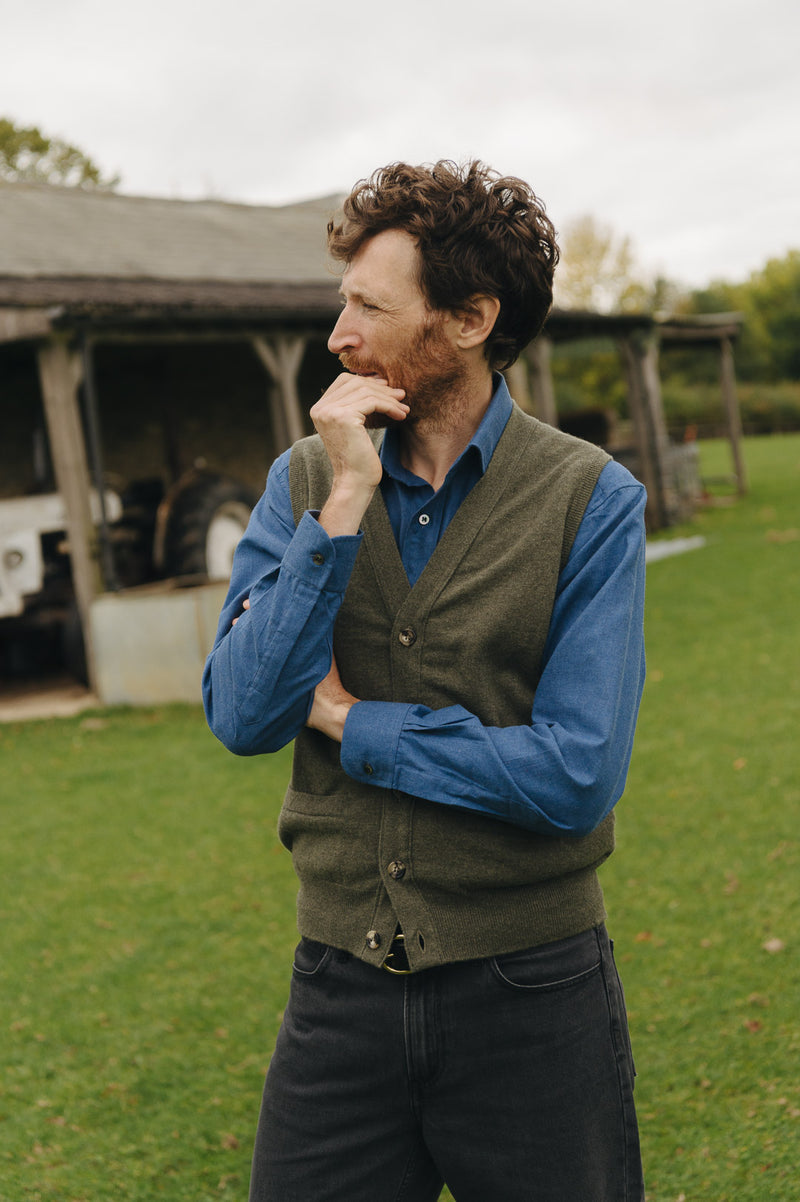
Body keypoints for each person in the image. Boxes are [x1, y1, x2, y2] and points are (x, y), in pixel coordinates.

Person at [203, 159, 646, 1202]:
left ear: (467, 319)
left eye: (368, 305)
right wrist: (344, 501)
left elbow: (576, 772)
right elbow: (241, 711)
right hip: (337, 991)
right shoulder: (304, 478)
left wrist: (352, 720)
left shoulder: (591, 499)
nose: (338, 334)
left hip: (534, 993)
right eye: (341, 300)